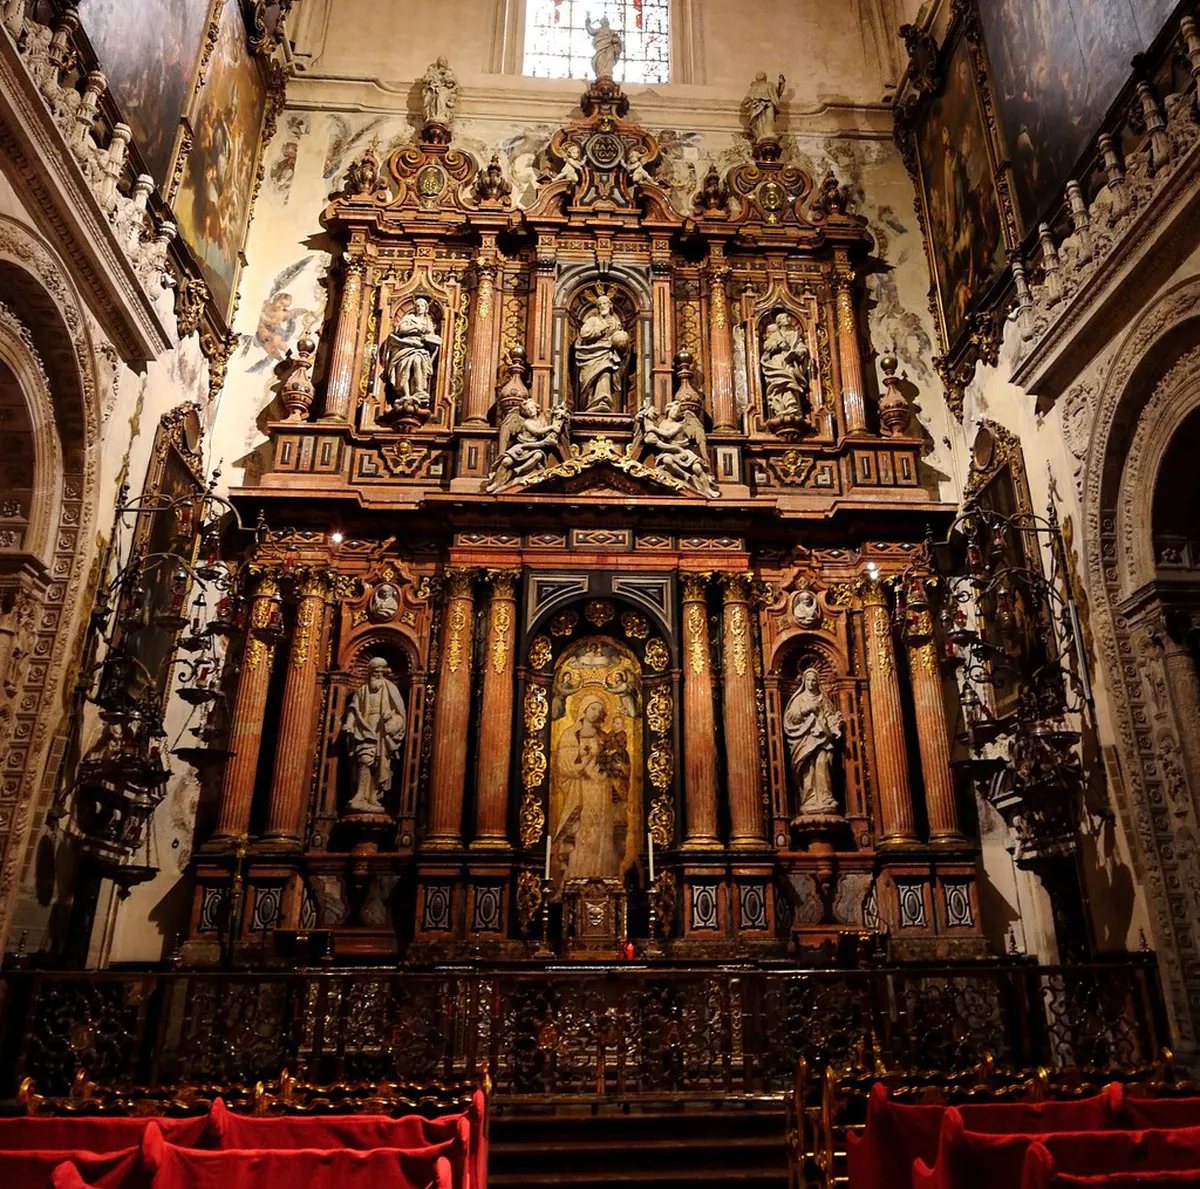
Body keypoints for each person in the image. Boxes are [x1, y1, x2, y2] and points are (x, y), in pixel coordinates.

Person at [553, 699, 629, 881]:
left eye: (599, 710)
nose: (596, 713)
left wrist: (618, 767)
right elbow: (565, 767)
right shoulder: (570, 735)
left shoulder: (604, 736)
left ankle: (605, 877)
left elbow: (618, 762)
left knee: (604, 831)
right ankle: (578, 877)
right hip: (583, 790)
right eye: (593, 708)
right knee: (584, 831)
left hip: (603, 788)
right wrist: (586, 761)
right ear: (583, 709)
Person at [343, 657, 407, 814]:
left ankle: (373, 796)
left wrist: (393, 723)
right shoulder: (362, 691)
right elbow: (353, 709)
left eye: (380, 672)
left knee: (380, 764)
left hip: (383, 732)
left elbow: (400, 714)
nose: (377, 675)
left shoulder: (391, 689)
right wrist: (349, 724)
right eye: (375, 672)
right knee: (364, 759)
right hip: (365, 728)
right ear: (370, 672)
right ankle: (359, 795)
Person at [783, 669, 844, 817]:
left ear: (818, 682)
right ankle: (809, 799)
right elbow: (790, 718)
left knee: (823, 765)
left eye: (814, 680)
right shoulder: (799, 699)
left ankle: (825, 798)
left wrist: (836, 728)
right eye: (808, 680)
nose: (811, 683)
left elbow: (829, 716)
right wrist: (805, 711)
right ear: (804, 682)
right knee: (807, 770)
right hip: (805, 741)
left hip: (823, 739)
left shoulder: (823, 699)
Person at [382, 297, 441, 407]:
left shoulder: (428, 321)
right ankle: (405, 394)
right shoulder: (409, 317)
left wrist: (429, 339)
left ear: (426, 308)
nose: (419, 308)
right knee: (404, 364)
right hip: (404, 345)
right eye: (417, 306)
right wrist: (416, 328)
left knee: (417, 360)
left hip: (420, 347)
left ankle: (418, 390)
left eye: (422, 306)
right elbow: (400, 329)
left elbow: (431, 336)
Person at [574, 295, 629, 412]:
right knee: (588, 380)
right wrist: (600, 330)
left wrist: (622, 344)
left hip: (607, 354)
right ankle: (589, 403)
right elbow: (584, 333)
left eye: (605, 304)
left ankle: (603, 401)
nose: (602, 306)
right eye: (600, 305)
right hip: (590, 354)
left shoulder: (615, 322)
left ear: (610, 305)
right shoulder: (592, 320)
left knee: (605, 372)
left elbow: (620, 338)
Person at [760, 312, 811, 420]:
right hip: (778, 362)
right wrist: (778, 344)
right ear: (779, 322)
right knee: (783, 381)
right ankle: (785, 406)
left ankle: (793, 406)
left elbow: (802, 347)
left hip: (791, 362)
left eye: (788, 317)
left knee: (791, 378)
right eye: (784, 317)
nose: (787, 319)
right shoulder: (775, 334)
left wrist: (800, 352)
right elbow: (767, 346)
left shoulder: (795, 334)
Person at [745, 72, 786, 144]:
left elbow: (777, 94)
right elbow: (747, 100)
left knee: (769, 119)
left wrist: (781, 84)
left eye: (762, 74)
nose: (760, 75)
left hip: (769, 105)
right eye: (758, 74)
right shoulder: (754, 87)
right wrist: (753, 101)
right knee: (760, 122)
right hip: (758, 107)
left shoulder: (770, 85)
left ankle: (769, 133)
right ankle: (761, 134)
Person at [421, 57, 458, 127]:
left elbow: (454, 83)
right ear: (438, 62)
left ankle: (441, 115)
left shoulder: (448, 72)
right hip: (433, 88)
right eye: (441, 60)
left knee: (441, 97)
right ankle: (432, 115)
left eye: (444, 61)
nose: (443, 62)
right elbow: (425, 80)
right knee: (431, 97)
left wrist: (446, 79)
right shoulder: (433, 71)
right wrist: (435, 77)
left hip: (444, 89)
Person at [585, 15, 623, 80]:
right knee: (600, 59)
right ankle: (601, 73)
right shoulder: (599, 30)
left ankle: (607, 72)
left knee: (609, 58)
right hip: (600, 48)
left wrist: (615, 41)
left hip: (610, 48)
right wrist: (587, 23)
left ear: (608, 23)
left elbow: (618, 41)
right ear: (601, 23)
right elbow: (591, 31)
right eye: (604, 21)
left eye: (606, 21)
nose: (605, 22)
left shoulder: (612, 31)